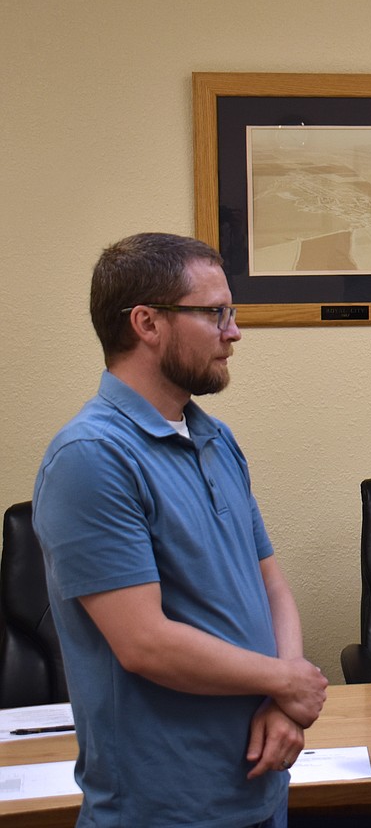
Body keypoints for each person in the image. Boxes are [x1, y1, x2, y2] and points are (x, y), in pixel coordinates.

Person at [33, 233, 329, 828]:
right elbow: (146, 643)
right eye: (215, 313)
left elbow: (271, 585)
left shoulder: (215, 439)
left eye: (232, 312)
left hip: (258, 789)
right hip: (163, 808)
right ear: (147, 323)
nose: (234, 332)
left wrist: (284, 701)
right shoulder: (92, 457)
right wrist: (288, 680)